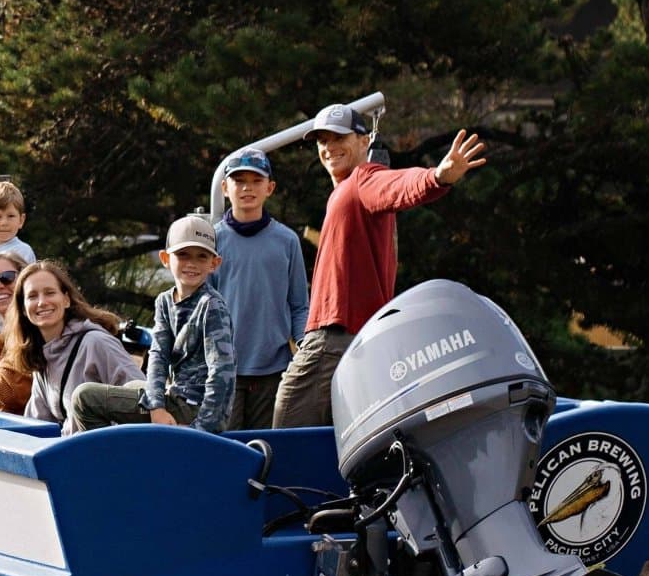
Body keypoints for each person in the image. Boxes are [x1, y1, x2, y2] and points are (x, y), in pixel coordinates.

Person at [270, 106, 489, 428]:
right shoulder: (344, 192)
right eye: (322, 140)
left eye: (339, 138)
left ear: (364, 141)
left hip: (334, 338)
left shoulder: (363, 180)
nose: (329, 147)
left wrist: (437, 177)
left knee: (282, 438)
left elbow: (397, 186)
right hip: (357, 341)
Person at [68, 215, 234, 434]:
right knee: (131, 387)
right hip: (175, 397)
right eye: (183, 255)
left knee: (84, 398)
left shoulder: (212, 306)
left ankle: (112, 461)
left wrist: (200, 430)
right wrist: (156, 405)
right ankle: (132, 454)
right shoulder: (165, 301)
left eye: (202, 257)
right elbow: (158, 355)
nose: (192, 263)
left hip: (195, 411)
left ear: (214, 263)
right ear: (165, 258)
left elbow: (222, 373)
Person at [212, 148, 309, 431]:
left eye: (256, 180)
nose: (247, 188)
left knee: (267, 449)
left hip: (274, 370)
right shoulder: (212, 241)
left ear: (270, 188)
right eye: (239, 180)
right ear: (225, 189)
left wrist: (304, 348)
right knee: (227, 450)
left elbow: (299, 305)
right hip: (224, 371)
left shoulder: (287, 241)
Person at [0, 260, 138, 431]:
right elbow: (38, 425)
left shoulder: (96, 343)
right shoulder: (41, 356)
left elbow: (144, 403)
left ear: (66, 299)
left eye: (50, 293)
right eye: (32, 296)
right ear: (22, 308)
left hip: (105, 451)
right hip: (68, 453)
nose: (42, 302)